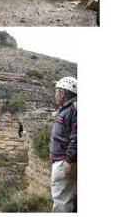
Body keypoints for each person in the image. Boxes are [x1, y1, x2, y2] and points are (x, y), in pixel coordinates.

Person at [50, 76, 77, 212]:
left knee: (61, 202)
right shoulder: (66, 109)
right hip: (62, 161)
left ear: (64, 93)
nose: (55, 95)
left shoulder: (73, 109)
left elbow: (77, 136)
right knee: (65, 198)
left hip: (64, 162)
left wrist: (70, 160)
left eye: (57, 91)